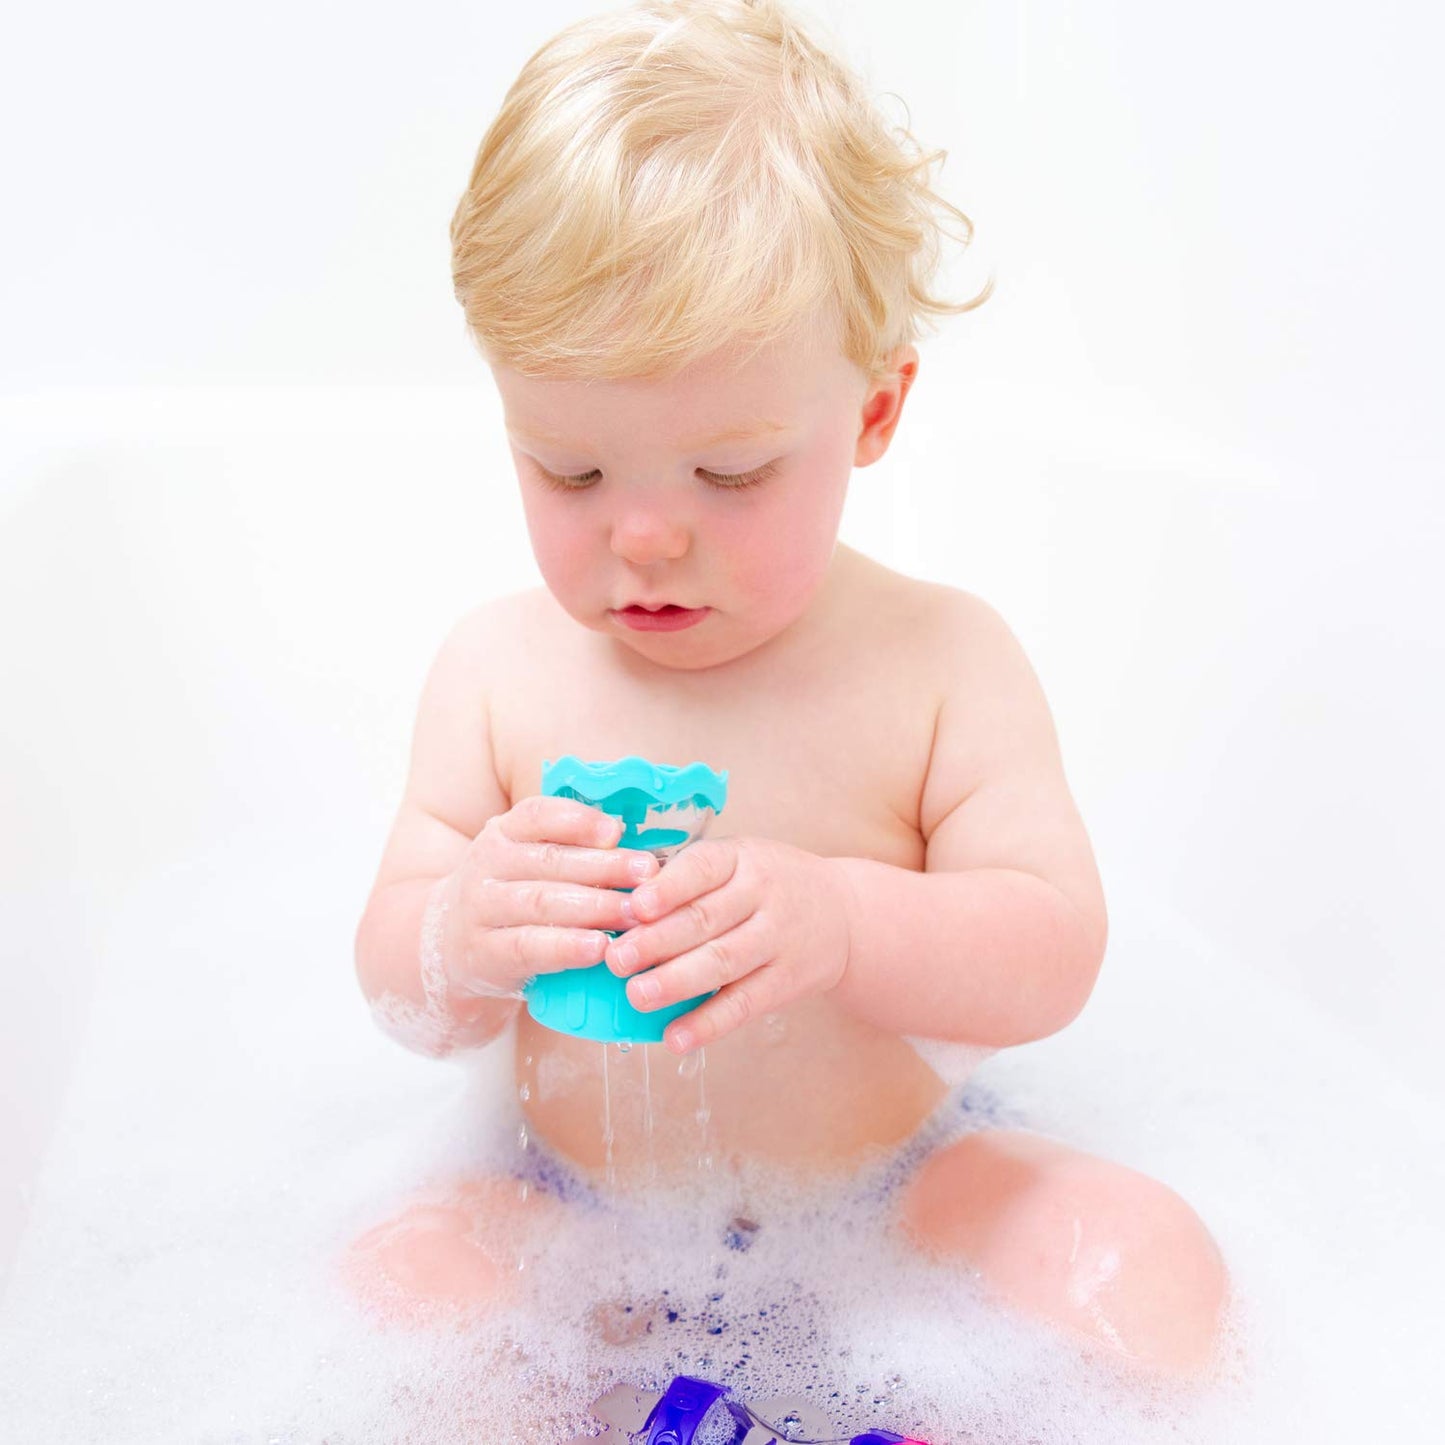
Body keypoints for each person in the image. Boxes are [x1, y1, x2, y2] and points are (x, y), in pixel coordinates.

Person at [347, 0, 1227, 1378]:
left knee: (1140, 1258)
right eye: (569, 470)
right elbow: (403, 984)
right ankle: (561, 1404)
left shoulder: (940, 662)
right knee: (398, 1277)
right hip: (572, 1217)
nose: (643, 534)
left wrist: (844, 917)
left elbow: (1050, 948)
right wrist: (463, 925)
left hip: (890, 1190)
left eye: (730, 472)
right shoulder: (494, 670)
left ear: (872, 412)